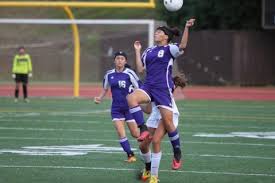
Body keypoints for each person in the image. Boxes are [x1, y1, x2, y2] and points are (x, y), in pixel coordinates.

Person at [127, 18, 195, 175]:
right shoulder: (148, 51)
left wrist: (186, 27)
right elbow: (140, 69)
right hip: (148, 86)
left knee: (168, 123)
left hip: (163, 89)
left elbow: (183, 45)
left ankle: (177, 152)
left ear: (166, 37)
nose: (156, 33)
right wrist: (137, 51)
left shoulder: (169, 49)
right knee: (131, 98)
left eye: (159, 32)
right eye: (156, 31)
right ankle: (142, 129)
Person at [94, 51, 141, 162]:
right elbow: (105, 88)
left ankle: (147, 148)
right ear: (114, 60)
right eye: (118, 58)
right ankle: (130, 155)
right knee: (120, 133)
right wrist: (99, 97)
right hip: (116, 109)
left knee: (136, 134)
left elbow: (139, 87)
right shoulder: (109, 74)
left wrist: (140, 100)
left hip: (130, 108)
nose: (119, 60)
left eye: (122, 58)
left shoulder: (130, 73)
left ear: (125, 61)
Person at [139, 75, 187, 183]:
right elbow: (148, 109)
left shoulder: (164, 83)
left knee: (156, 141)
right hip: (156, 115)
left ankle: (154, 177)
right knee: (143, 146)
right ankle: (148, 168)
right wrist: (136, 105)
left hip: (168, 113)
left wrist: (177, 81)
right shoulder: (148, 87)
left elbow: (172, 85)